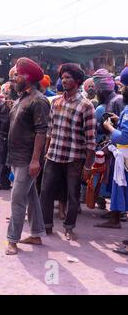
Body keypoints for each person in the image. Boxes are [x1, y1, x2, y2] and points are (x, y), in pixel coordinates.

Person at [41, 64, 96, 241]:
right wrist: (45, 153)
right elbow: (50, 131)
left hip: (74, 158)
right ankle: (46, 226)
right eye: (63, 77)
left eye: (68, 77)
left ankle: (69, 227)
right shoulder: (56, 102)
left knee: (73, 195)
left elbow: (90, 141)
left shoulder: (86, 106)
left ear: (78, 81)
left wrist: (88, 166)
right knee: (46, 191)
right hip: (54, 155)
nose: (64, 80)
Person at [6, 58, 50, 256]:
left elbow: (42, 132)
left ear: (27, 77)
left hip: (27, 159)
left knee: (17, 199)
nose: (14, 79)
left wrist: (35, 160)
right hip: (17, 157)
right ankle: (37, 234)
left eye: (17, 75)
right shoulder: (22, 98)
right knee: (31, 196)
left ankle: (12, 240)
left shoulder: (39, 100)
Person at [95, 67, 128, 231]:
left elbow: (123, 133)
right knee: (115, 184)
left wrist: (108, 127)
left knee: (118, 183)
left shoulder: (117, 101)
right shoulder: (110, 102)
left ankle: (117, 215)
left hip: (120, 150)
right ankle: (115, 212)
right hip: (116, 149)